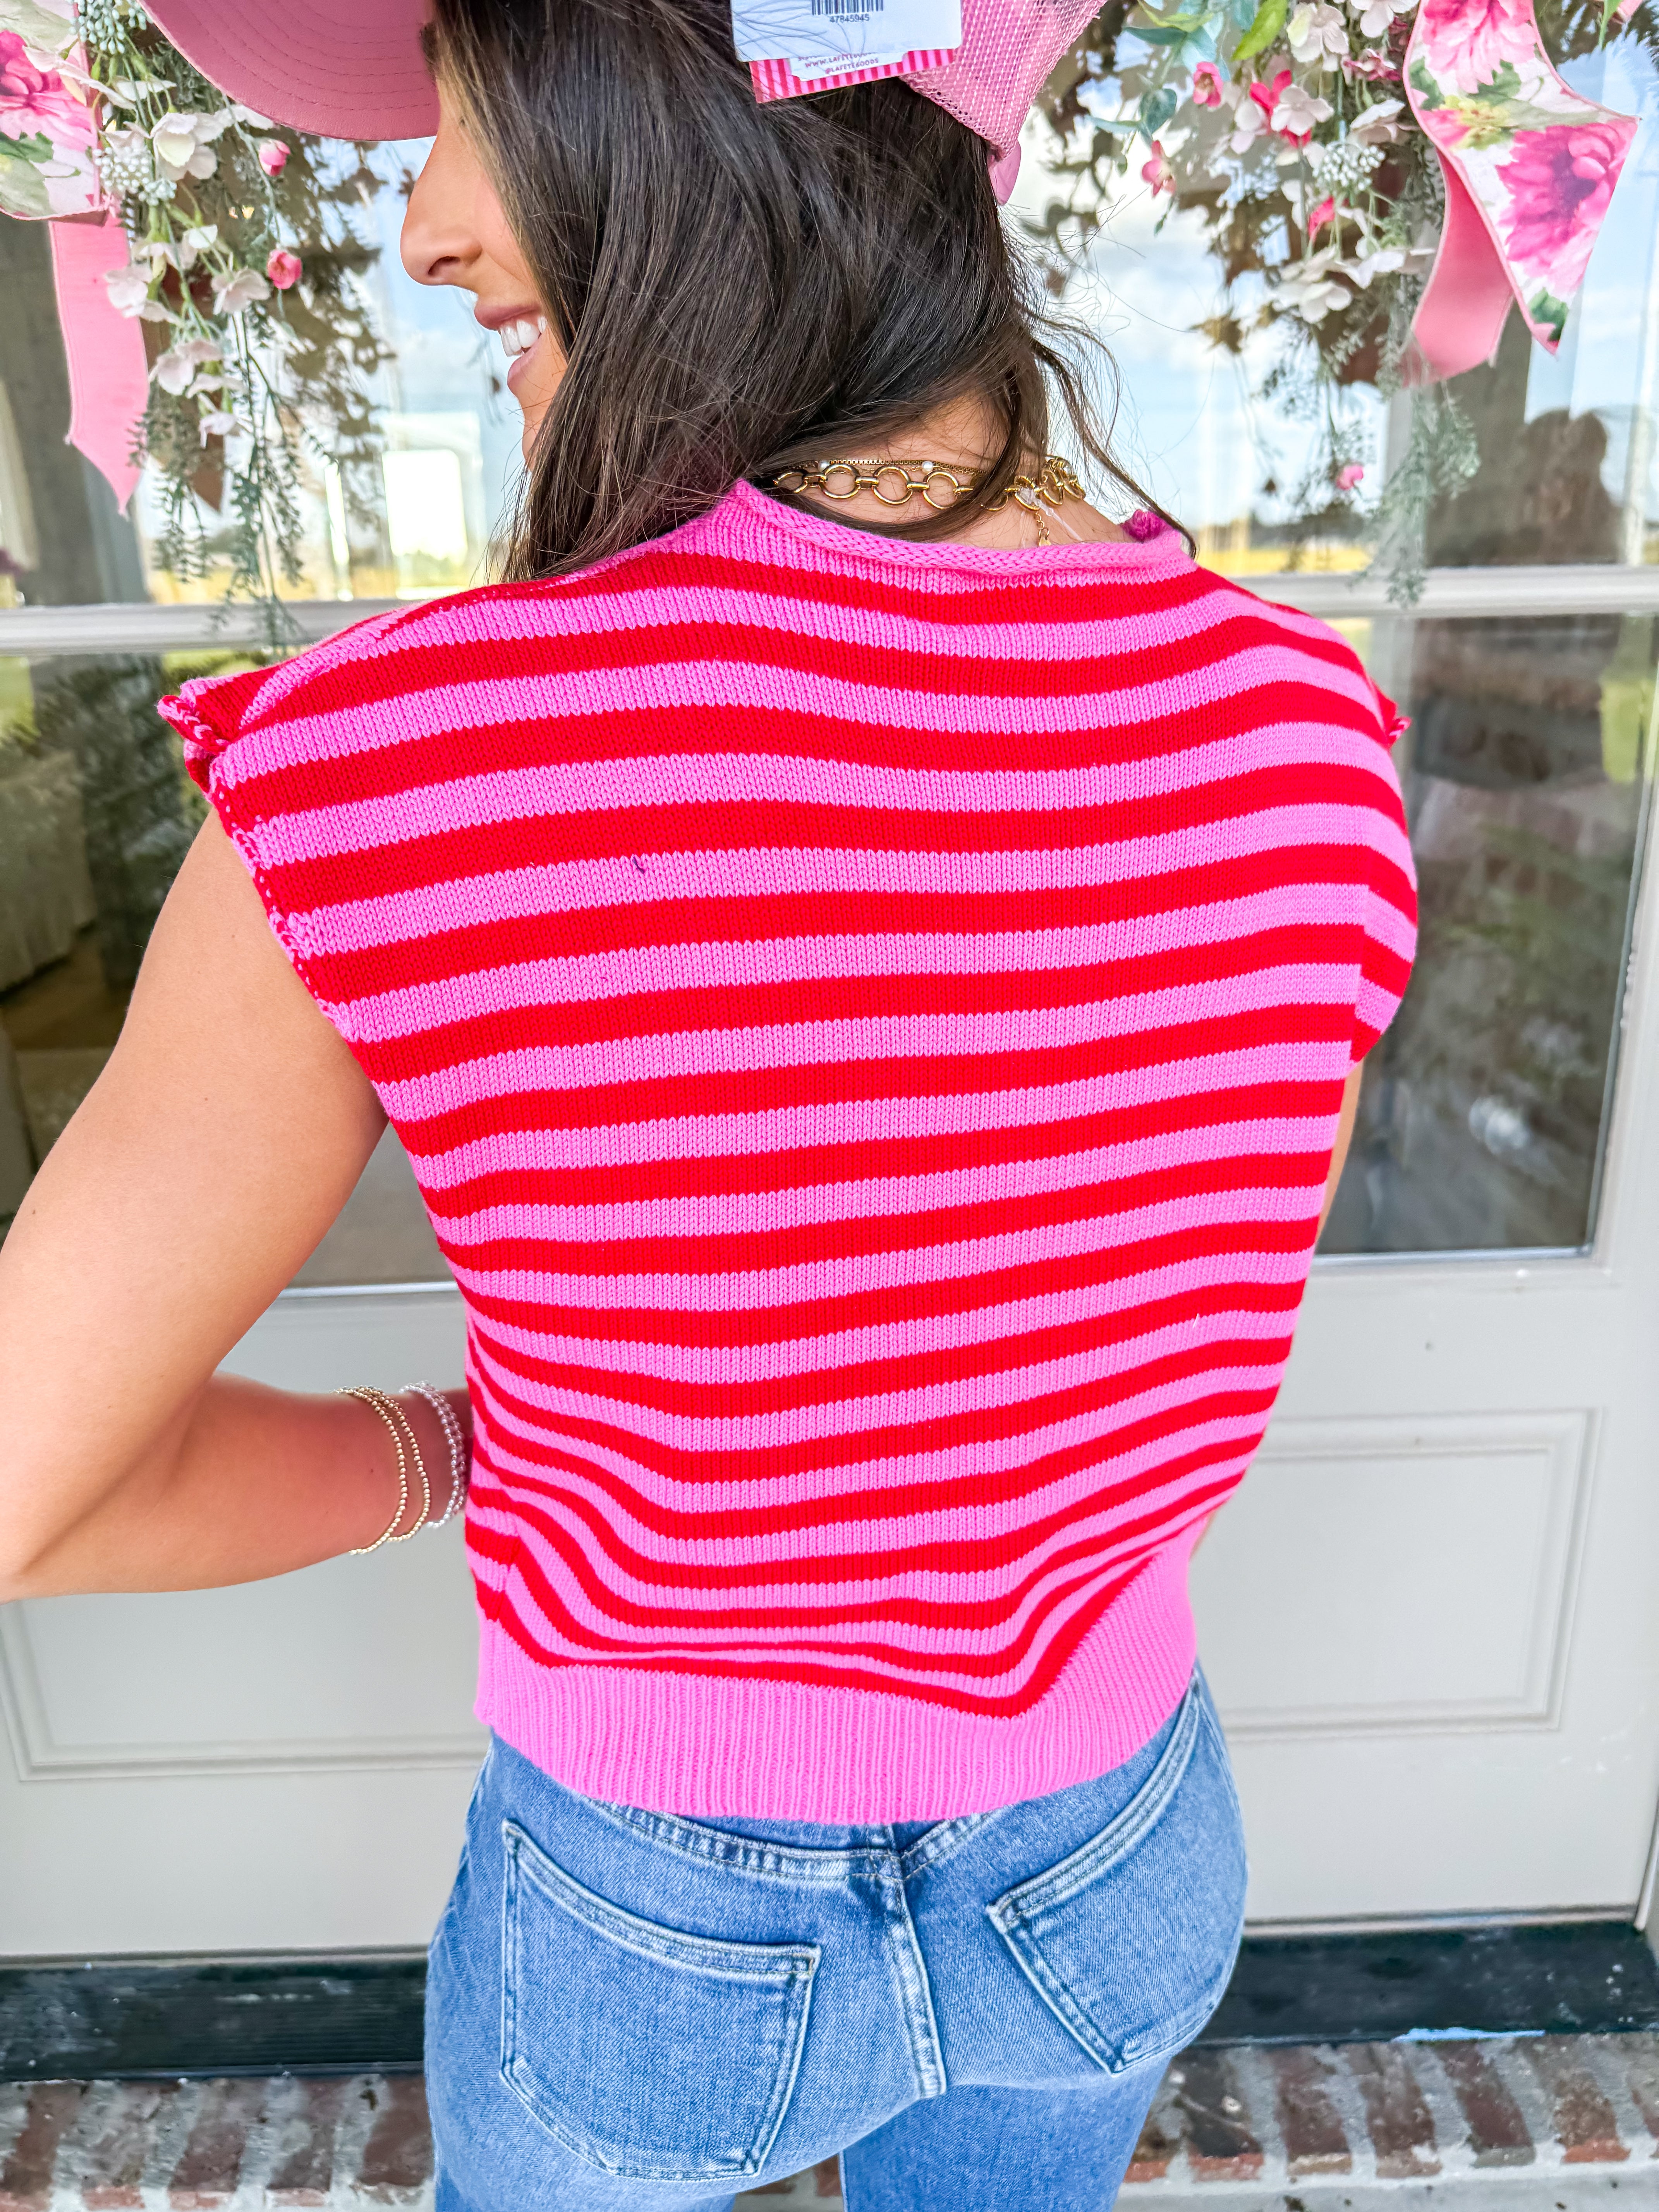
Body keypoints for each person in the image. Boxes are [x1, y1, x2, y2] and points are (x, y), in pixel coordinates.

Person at [0, 1, 1416, 2205]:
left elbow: (23, 1484)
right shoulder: (1300, 731)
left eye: (465, 106)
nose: (425, 225)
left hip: (662, 1921)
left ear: (662, 128)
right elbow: (1154, 1325)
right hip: (1117, 1841)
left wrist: (437, 1455)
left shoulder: (393, 772)